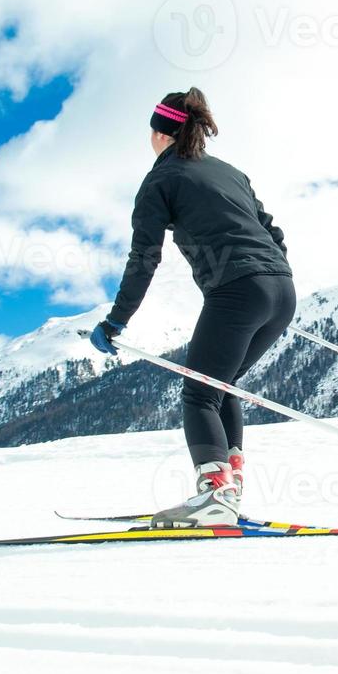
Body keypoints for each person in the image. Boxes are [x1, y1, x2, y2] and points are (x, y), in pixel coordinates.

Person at [89, 88, 294, 528]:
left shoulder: (160, 180)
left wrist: (117, 319)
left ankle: (216, 494)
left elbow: (144, 257)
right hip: (282, 289)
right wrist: (271, 275)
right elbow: (271, 230)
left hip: (236, 291)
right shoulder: (231, 173)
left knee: (199, 391)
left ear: (159, 133)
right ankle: (228, 490)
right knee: (223, 386)